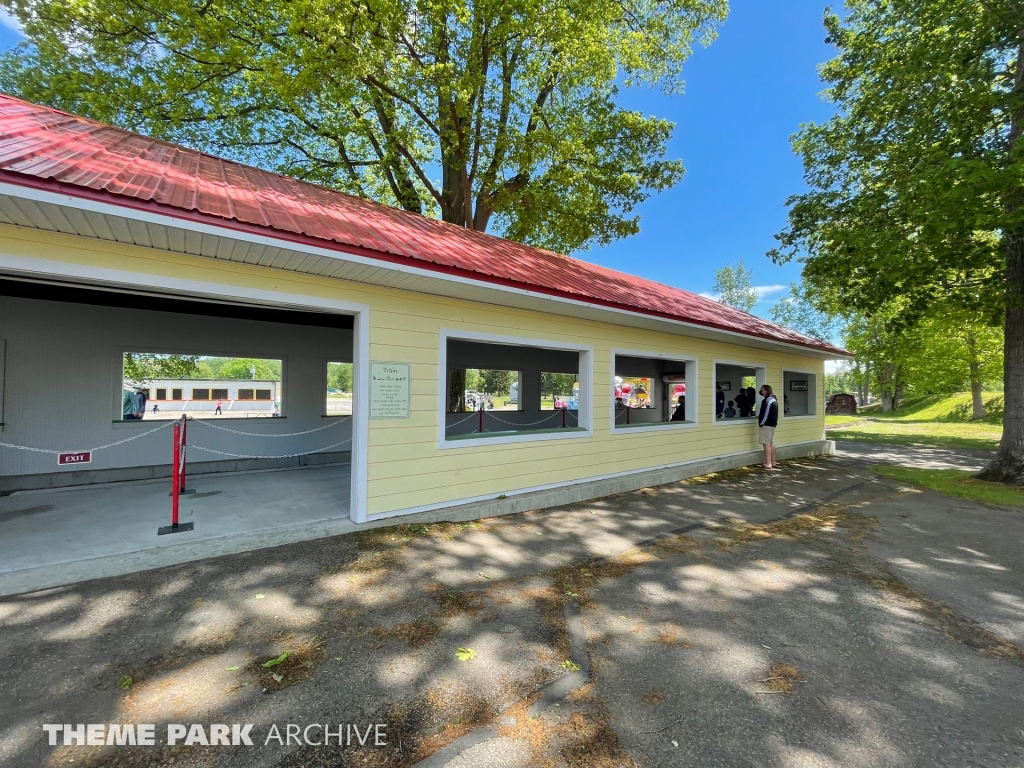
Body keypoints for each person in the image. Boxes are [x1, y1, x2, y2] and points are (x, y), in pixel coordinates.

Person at [757, 384, 779, 469]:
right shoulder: (774, 399)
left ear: (766, 390)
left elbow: (765, 414)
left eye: (762, 390)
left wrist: (761, 423)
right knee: (771, 443)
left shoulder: (767, 401)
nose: (761, 391)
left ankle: (768, 463)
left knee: (766, 443)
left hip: (766, 425)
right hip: (772, 424)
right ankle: (773, 462)